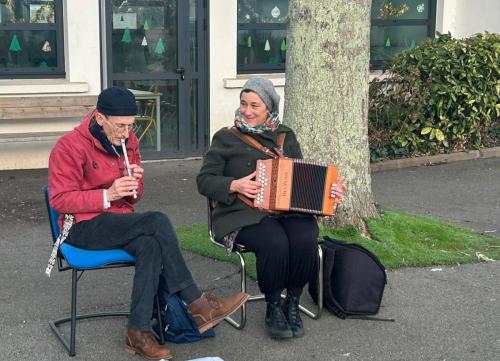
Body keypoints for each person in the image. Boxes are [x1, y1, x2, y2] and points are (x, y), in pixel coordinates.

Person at [48, 86, 249, 360]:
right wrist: (108, 194)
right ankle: (197, 302)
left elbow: (134, 198)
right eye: (120, 126)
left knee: (150, 245)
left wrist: (135, 186)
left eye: (131, 125)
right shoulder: (69, 146)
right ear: (99, 118)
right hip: (79, 226)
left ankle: (137, 332)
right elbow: (59, 200)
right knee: (157, 221)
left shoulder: (129, 141)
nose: (126, 133)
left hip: (118, 221)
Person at [197, 77, 346, 339]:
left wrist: (329, 191)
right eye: (243, 104)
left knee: (305, 235)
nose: (247, 111)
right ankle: (274, 304)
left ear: (269, 109)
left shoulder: (284, 135)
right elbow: (204, 180)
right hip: (240, 214)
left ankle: (293, 300)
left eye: (255, 105)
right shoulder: (225, 138)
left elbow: (304, 177)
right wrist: (234, 185)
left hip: (286, 210)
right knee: (274, 241)